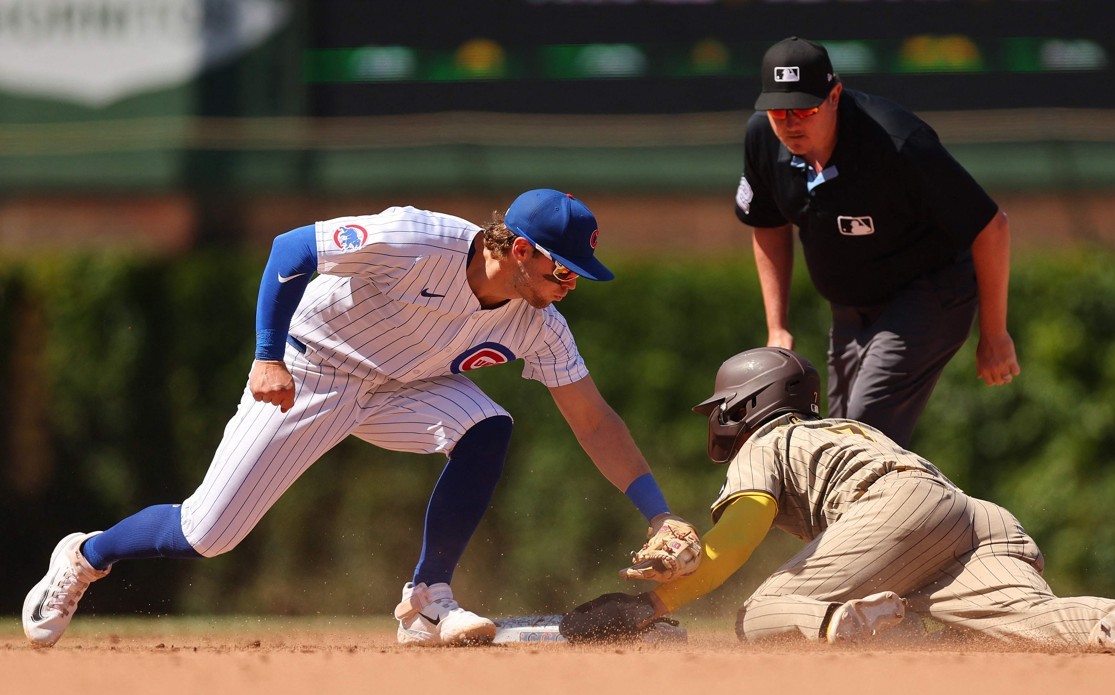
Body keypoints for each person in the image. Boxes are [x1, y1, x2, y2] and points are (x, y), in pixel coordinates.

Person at [24, 189, 693, 648]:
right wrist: (266, 356)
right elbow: (290, 251)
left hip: (399, 389)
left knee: (487, 425)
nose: (569, 284)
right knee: (207, 533)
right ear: (520, 251)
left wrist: (657, 511)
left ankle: (429, 598)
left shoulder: (541, 325)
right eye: (563, 269)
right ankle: (85, 555)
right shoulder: (416, 237)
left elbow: (594, 419)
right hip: (311, 373)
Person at [561, 347, 1115, 653]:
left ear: (747, 405)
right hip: (970, 515)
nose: (718, 421)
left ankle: (843, 621)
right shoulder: (831, 429)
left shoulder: (768, 437)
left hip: (896, 509)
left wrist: (651, 603)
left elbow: (742, 532)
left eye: (722, 408)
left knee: (761, 613)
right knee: (1017, 619)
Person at [736, 37, 1021, 447]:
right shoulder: (764, 137)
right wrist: (776, 327)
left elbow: (991, 226)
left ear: (835, 95)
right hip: (850, 310)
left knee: (860, 438)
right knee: (838, 438)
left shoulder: (896, 142)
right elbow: (767, 224)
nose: (791, 122)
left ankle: (930, 510)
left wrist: (994, 334)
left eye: (804, 109)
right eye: (779, 111)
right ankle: (892, 509)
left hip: (927, 293)